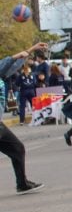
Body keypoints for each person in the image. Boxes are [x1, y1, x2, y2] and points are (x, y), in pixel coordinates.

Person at [0, 42, 47, 194]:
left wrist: (30, 50)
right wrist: (16, 55)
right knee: (17, 149)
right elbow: (5, 63)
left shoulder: (2, 76)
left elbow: (10, 66)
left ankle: (22, 184)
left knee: (17, 149)